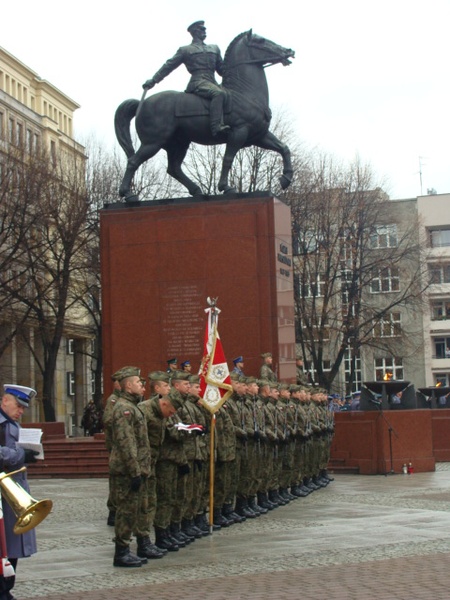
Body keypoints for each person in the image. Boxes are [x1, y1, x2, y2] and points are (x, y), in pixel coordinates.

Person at [143, 20, 230, 137]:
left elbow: (222, 70)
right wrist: (154, 80)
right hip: (198, 82)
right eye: (201, 29)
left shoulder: (214, 48)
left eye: (205, 29)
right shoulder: (186, 50)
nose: (205, 31)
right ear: (194, 32)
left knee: (229, 95)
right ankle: (216, 127)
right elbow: (169, 66)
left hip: (212, 81)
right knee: (218, 94)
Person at [108, 367, 152, 567]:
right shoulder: (124, 409)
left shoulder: (134, 406)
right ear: (128, 385)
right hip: (127, 470)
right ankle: (121, 552)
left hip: (136, 468)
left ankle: (126, 549)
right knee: (125, 511)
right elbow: (127, 443)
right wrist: (134, 470)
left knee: (133, 509)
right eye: (138, 383)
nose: (142, 386)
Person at [0, 384, 39, 600]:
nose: (21, 411)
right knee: (3, 544)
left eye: (23, 408)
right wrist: (20, 454)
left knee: (12, 544)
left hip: (13, 492)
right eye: (18, 406)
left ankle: (6, 589)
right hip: (3, 493)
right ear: (5, 400)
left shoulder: (11, 423)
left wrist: (29, 454)